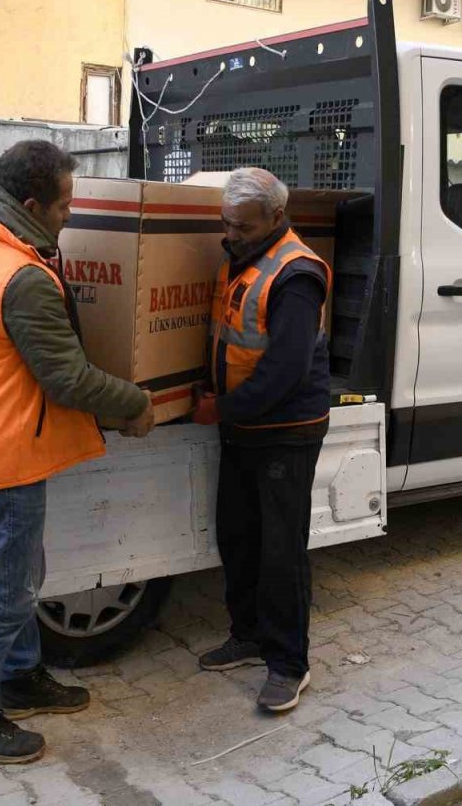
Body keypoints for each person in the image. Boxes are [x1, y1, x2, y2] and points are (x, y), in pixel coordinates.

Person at [0, 140, 155, 764]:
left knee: (19, 577)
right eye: (63, 206)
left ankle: (22, 679)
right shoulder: (21, 277)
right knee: (4, 594)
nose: (67, 217)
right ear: (31, 204)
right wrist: (135, 402)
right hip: (1, 460)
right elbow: (69, 378)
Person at [193, 167, 332, 713]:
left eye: (244, 227)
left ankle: (288, 663)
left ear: (276, 217)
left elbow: (285, 371)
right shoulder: (244, 255)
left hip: (285, 431)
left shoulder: (296, 274)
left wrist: (222, 408)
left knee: (281, 549)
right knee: (238, 536)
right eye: (227, 224)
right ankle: (248, 634)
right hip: (244, 426)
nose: (232, 235)